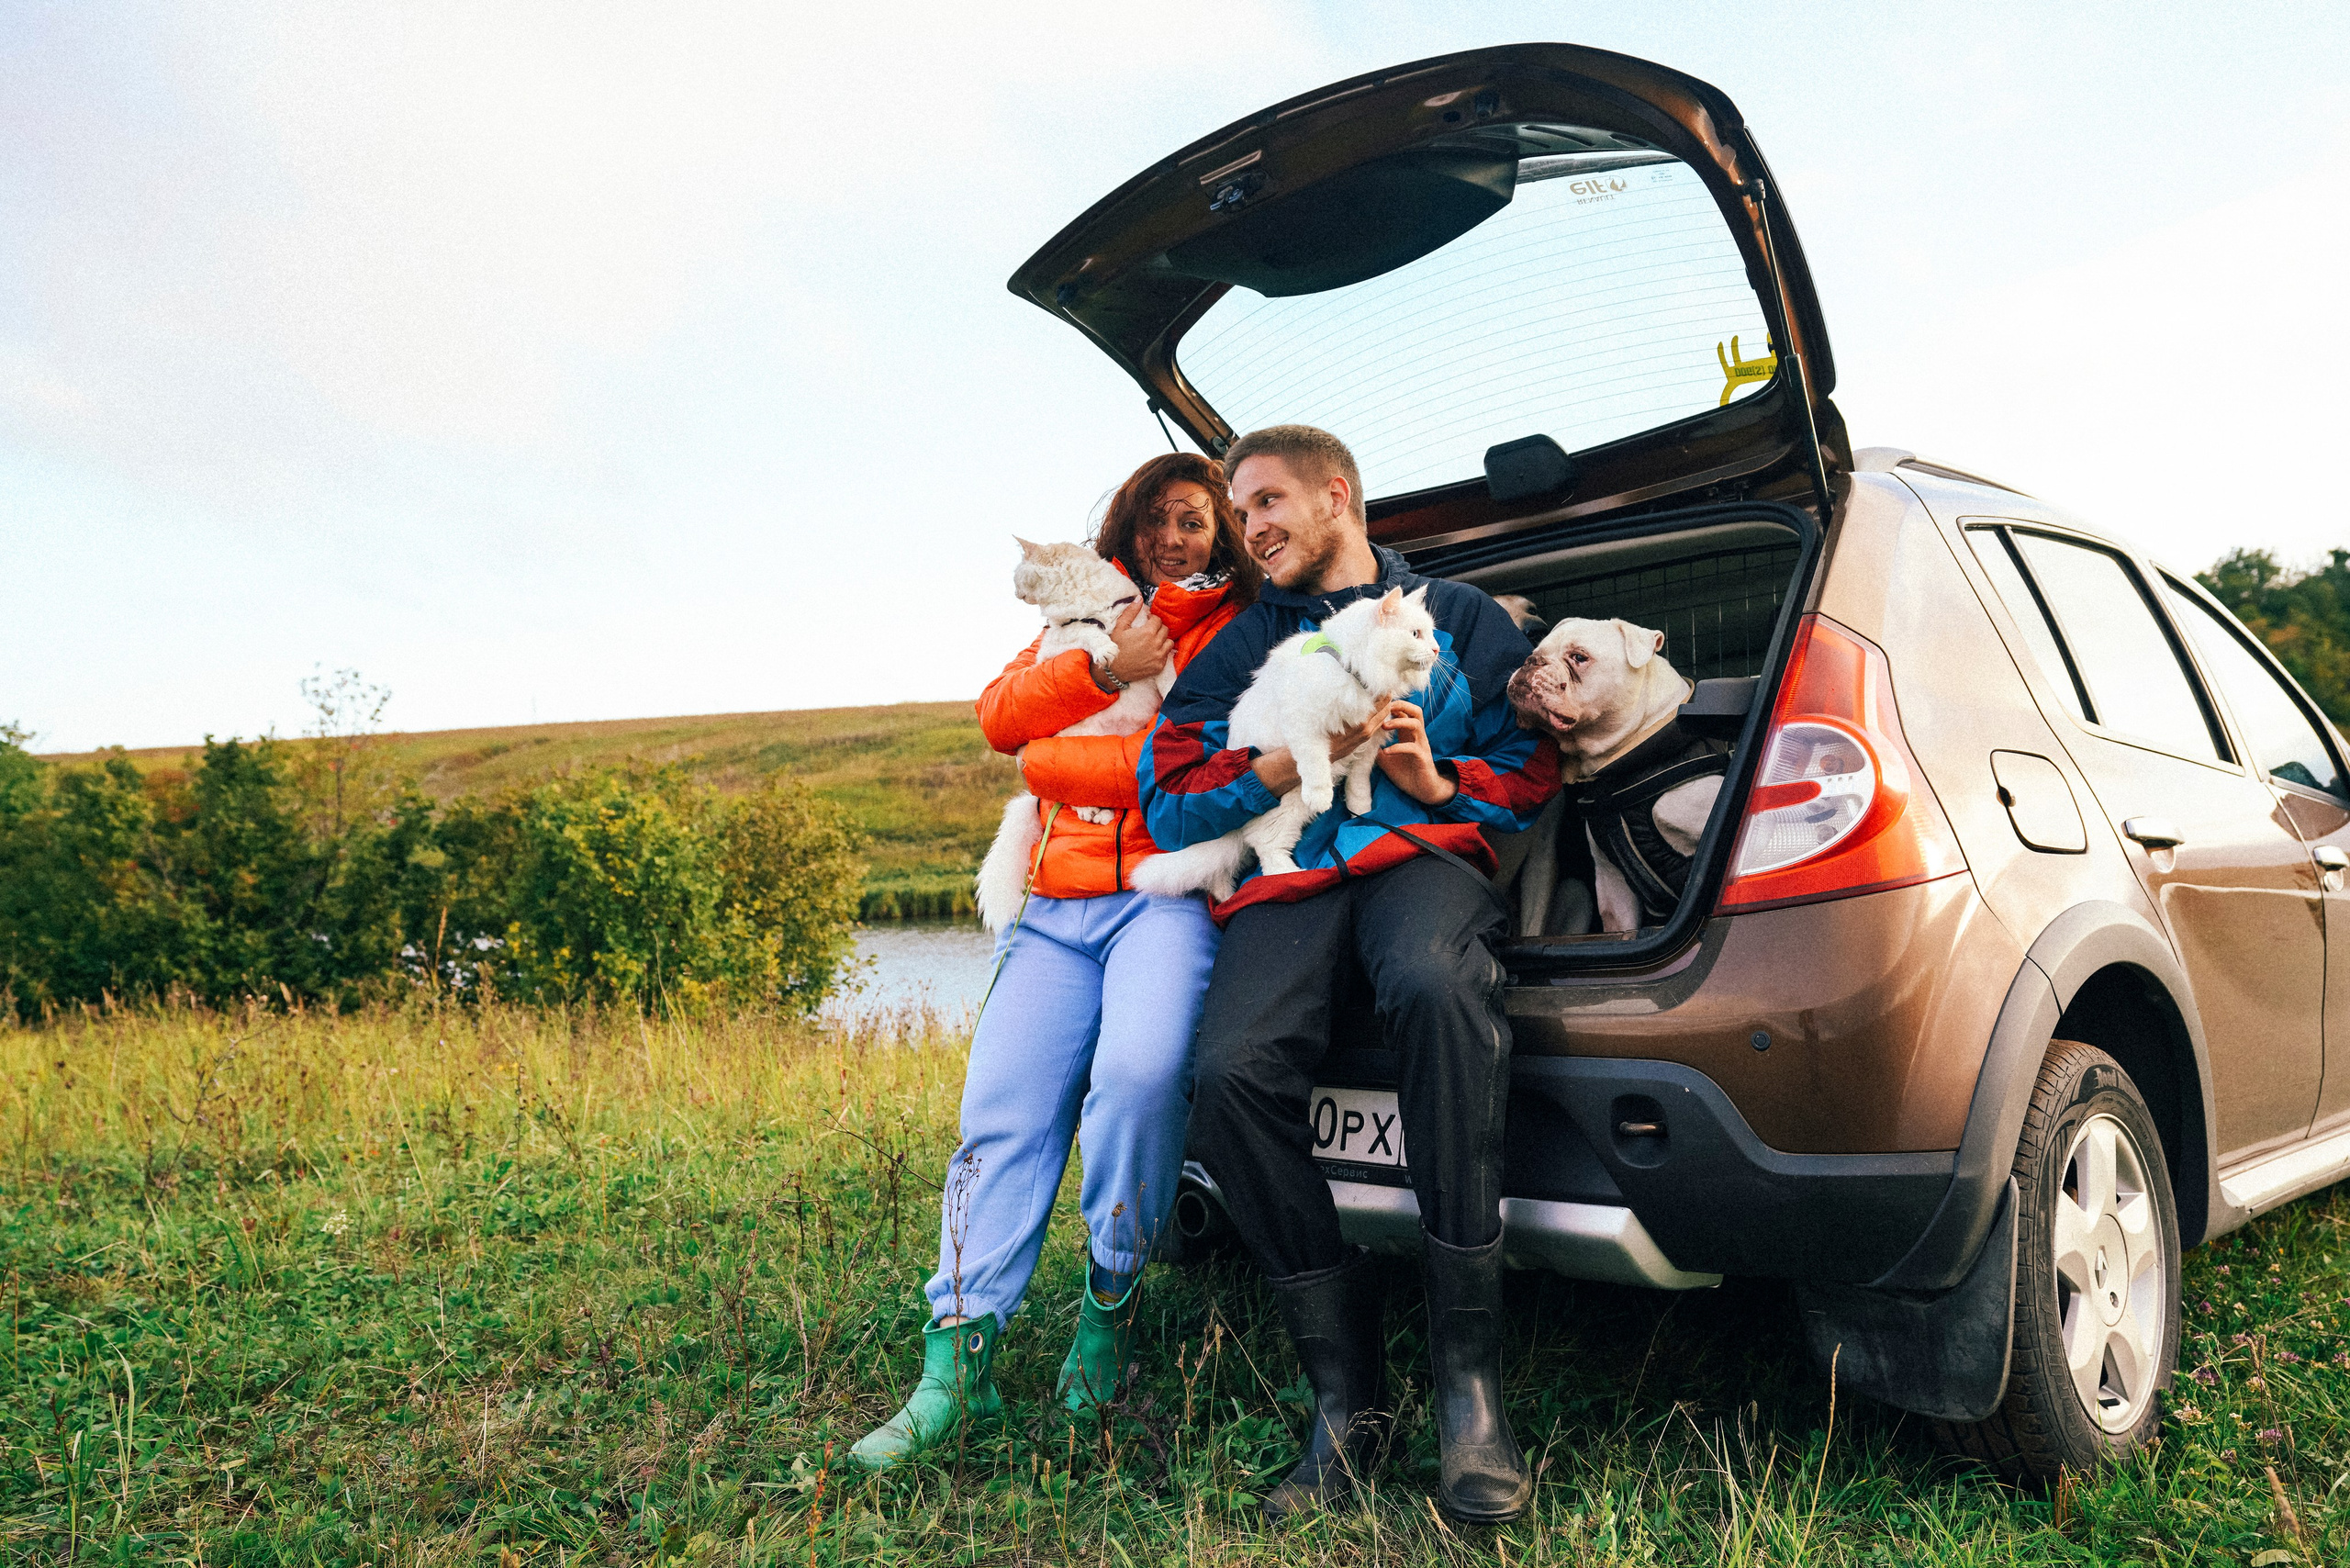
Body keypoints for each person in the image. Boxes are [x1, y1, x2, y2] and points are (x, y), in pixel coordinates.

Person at [1136, 425, 1559, 1522]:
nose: (1250, 526)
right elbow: (1170, 795)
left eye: (1268, 501)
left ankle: (1471, 1393)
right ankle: (1346, 1397)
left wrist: (1437, 773)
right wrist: (1275, 767)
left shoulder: (1454, 618)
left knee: (1431, 985)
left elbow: (1531, 768)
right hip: (1289, 879)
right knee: (1226, 1071)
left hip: (1418, 853)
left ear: (1337, 497)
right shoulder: (1236, 647)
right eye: (1242, 510)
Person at [852, 453, 1261, 1470]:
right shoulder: (1086, 616)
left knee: (1137, 1082)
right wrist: (1102, 670)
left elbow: (1178, 767)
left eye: (1198, 521)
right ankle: (954, 1372)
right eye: (1159, 518)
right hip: (1055, 904)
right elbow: (1000, 716)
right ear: (1128, 526)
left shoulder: (1236, 630)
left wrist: (1055, 757)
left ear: (1227, 538)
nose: (1176, 537)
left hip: (1162, 899)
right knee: (1002, 1112)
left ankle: (1106, 1314)